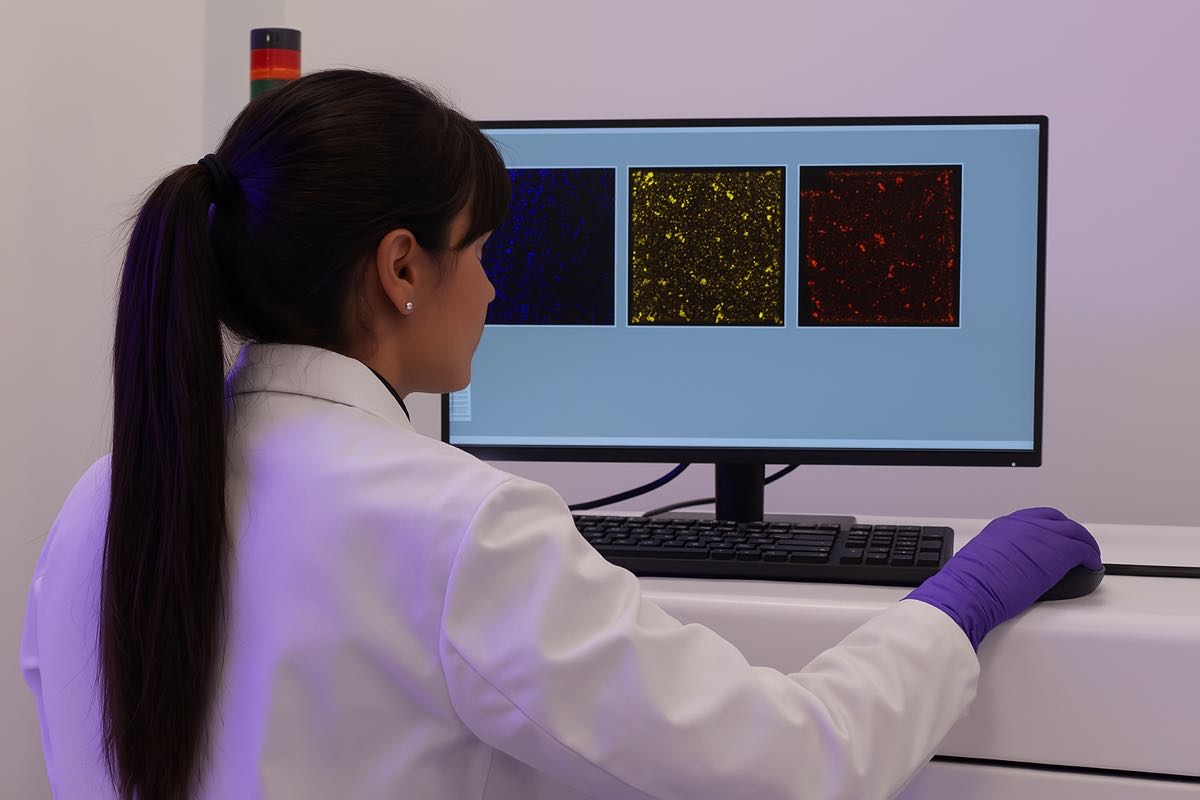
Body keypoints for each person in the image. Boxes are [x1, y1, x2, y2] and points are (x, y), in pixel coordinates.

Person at [19, 69, 1102, 800]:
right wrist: (956, 605)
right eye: (482, 250)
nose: (493, 290)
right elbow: (792, 762)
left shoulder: (99, 504)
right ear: (401, 267)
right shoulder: (456, 526)